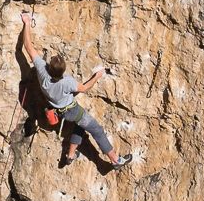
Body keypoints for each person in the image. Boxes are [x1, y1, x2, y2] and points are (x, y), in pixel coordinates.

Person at [17, 12, 131, 169]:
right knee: (97, 130)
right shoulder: (67, 82)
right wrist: (97, 76)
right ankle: (116, 161)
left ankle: (71, 155)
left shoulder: (42, 72)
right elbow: (83, 88)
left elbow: (28, 47)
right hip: (72, 111)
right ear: (62, 71)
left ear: (49, 67)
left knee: (80, 126)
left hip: (58, 110)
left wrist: (27, 23)